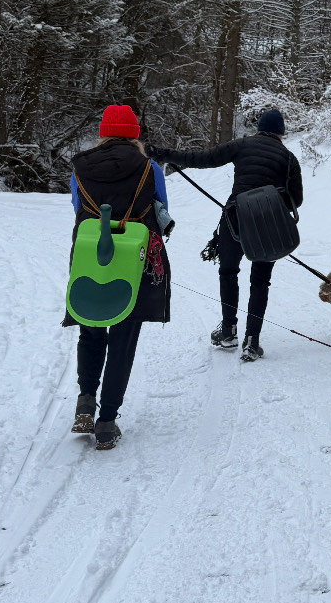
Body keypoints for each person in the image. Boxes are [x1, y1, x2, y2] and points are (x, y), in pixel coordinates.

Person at [147, 109, 302, 363]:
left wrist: (165, 154)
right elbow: (298, 199)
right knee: (260, 281)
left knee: (228, 272)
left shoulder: (243, 145)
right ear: (282, 133)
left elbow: (203, 158)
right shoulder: (289, 158)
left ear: (258, 128)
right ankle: (252, 341)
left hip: (235, 219)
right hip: (268, 226)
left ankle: (228, 331)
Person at [66, 104, 173, 451]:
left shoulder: (79, 167)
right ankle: (108, 422)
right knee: (123, 339)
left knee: (90, 327)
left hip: (90, 255)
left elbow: (76, 207)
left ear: (103, 133)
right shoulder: (149, 169)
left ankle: (85, 399)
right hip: (135, 260)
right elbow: (162, 209)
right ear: (135, 134)